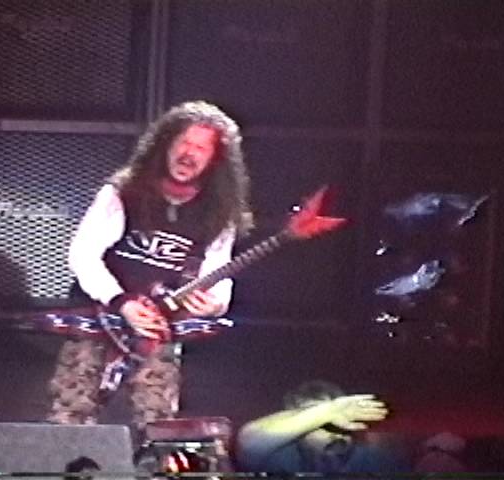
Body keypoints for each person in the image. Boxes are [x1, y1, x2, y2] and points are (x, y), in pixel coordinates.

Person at [45, 101, 254, 434]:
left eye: (200, 148)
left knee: (158, 423)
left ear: (215, 160)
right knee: (70, 416)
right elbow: (83, 254)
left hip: (158, 326)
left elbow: (218, 272)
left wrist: (214, 303)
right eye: (183, 143)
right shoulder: (123, 193)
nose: (188, 154)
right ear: (165, 145)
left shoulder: (218, 213)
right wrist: (121, 302)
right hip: (98, 317)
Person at [235, 380, 410, 473]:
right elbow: (249, 442)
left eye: (340, 419)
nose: (336, 430)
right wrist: (326, 412)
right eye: (320, 423)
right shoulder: (281, 460)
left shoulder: (373, 458)